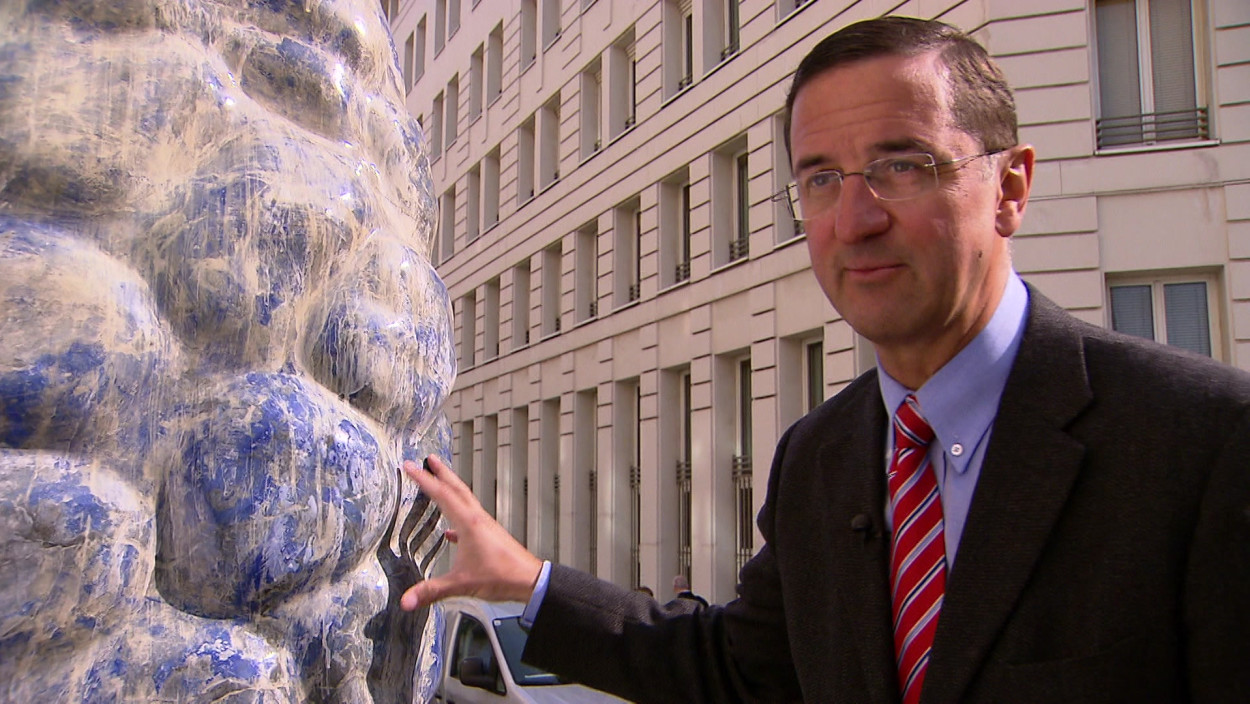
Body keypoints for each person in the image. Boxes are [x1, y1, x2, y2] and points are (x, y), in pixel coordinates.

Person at [400, 15, 1250, 704]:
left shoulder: (1203, 442)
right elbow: (738, 668)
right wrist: (529, 582)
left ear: (1012, 189)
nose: (854, 220)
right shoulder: (819, 459)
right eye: (820, 178)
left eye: (902, 166)